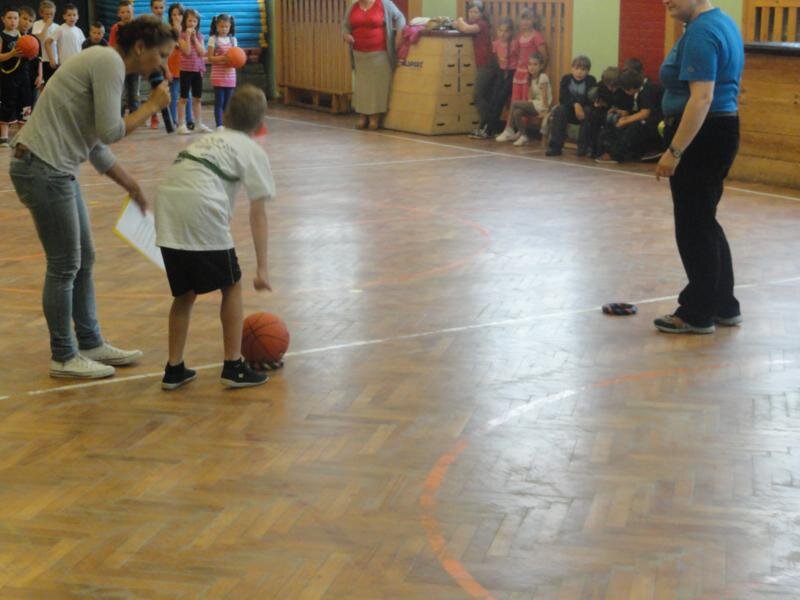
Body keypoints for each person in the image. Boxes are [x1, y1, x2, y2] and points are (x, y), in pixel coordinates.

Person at [8, 16, 174, 378]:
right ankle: (63, 356)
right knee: (65, 264)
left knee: (83, 259)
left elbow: (95, 145)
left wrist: (131, 186)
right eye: (162, 55)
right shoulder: (108, 61)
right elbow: (111, 132)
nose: (164, 66)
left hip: (51, 169)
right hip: (44, 169)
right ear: (140, 47)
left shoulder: (106, 63)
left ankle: (90, 342)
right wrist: (151, 106)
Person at [154, 84, 275, 390]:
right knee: (231, 285)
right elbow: (258, 214)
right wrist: (262, 268)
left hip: (167, 204)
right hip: (201, 204)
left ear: (227, 115)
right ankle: (234, 366)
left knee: (184, 293)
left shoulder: (208, 139)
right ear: (260, 124)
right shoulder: (251, 150)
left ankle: (174, 368)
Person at [654, 0, 744, 334]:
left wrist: (675, 151)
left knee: (693, 226)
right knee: (704, 220)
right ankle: (724, 305)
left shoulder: (702, 33)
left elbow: (702, 98)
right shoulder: (721, 23)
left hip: (703, 137)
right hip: (719, 130)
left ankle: (697, 312)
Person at [342, 0, 406, 130]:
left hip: (380, 54)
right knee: (362, 87)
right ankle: (362, 116)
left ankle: (374, 117)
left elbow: (400, 18)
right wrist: (346, 35)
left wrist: (399, 34)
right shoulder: (353, 7)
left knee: (377, 87)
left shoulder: (384, 4)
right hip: (359, 55)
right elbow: (345, 26)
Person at [495, 9, 547, 142]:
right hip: (518, 74)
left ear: (534, 20)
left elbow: (544, 56)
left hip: (528, 77)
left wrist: (536, 73)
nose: (525, 22)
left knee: (524, 102)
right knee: (514, 101)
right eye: (523, 19)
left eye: (528, 19)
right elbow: (518, 54)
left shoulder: (537, 37)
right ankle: (510, 129)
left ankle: (522, 131)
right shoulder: (519, 37)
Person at [595, 68, 663, 164]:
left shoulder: (648, 90)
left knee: (634, 126)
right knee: (621, 123)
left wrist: (627, 120)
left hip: (659, 120)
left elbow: (645, 113)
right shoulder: (642, 89)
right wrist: (625, 114)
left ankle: (615, 155)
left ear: (630, 88)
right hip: (652, 118)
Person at [454, 1, 492, 139]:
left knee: (478, 95)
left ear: (481, 14)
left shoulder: (482, 24)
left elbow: (465, 28)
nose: (472, 14)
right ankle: (484, 126)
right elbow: (457, 25)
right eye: (470, 11)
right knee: (481, 96)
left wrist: (459, 19)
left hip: (486, 64)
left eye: (476, 12)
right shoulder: (473, 23)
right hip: (479, 64)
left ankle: (486, 127)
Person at [545, 54, 596, 156]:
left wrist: (580, 106)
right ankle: (556, 147)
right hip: (569, 110)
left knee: (589, 111)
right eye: (577, 68)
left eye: (583, 69)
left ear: (588, 71)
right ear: (572, 69)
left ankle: (583, 148)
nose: (579, 72)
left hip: (583, 112)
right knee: (560, 110)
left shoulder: (591, 80)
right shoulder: (566, 79)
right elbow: (563, 98)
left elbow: (590, 100)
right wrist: (575, 104)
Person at [478, 17, 517, 139]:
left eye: (506, 31)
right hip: (500, 73)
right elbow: (494, 60)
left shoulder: (515, 44)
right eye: (500, 30)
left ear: (511, 32)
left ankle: (490, 128)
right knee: (493, 99)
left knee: (500, 99)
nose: (503, 34)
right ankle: (487, 126)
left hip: (511, 73)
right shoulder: (495, 44)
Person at [502, 53, 551, 147]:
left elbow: (544, 96)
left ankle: (509, 129)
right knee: (517, 112)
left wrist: (545, 110)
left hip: (541, 105)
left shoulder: (543, 77)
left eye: (535, 64)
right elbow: (530, 97)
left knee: (514, 103)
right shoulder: (530, 78)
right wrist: (528, 102)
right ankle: (523, 135)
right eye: (530, 64)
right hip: (534, 104)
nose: (532, 67)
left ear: (541, 66)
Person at [176, 8, 211, 134]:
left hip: (197, 70)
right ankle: (181, 125)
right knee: (183, 98)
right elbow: (187, 51)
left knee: (197, 98)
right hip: (186, 70)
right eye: (189, 21)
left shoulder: (200, 36)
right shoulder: (181, 36)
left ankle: (198, 124)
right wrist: (188, 36)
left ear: (198, 23)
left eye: (195, 21)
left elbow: (202, 52)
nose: (192, 23)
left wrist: (195, 38)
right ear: (185, 22)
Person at [109, 0, 140, 116]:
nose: (126, 14)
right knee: (120, 93)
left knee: (134, 93)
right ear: (118, 14)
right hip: (120, 65)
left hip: (134, 66)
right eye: (123, 12)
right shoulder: (115, 28)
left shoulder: (136, 27)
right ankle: (119, 117)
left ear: (133, 12)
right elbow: (112, 46)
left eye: (128, 12)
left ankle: (134, 117)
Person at [207, 14, 237, 129]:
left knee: (228, 103)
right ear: (216, 26)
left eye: (226, 27)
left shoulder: (233, 40)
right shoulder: (213, 39)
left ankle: (226, 124)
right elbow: (210, 58)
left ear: (230, 27)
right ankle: (219, 125)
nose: (224, 29)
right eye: (221, 26)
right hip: (218, 76)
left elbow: (236, 57)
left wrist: (236, 60)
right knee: (219, 101)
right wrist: (223, 58)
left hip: (230, 76)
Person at [0, 7, 25, 147]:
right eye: (9, 18)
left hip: (23, 76)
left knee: (24, 104)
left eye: (15, 18)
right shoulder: (2, 36)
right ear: (3, 19)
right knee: (7, 103)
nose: (13, 21)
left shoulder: (23, 36)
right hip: (8, 76)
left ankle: (22, 137)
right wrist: (12, 54)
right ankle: (4, 137)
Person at [167, 2, 193, 129]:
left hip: (185, 67)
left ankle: (189, 119)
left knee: (187, 95)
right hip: (173, 68)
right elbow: (166, 49)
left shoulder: (186, 31)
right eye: (174, 14)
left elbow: (189, 50)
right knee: (173, 95)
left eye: (179, 14)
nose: (177, 17)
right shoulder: (168, 31)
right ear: (170, 16)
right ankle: (172, 120)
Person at [17, 5, 37, 121]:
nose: (27, 22)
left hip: (29, 79)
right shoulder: (10, 37)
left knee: (27, 108)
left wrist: (40, 76)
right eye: (24, 18)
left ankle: (25, 122)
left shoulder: (34, 39)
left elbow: (38, 59)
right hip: (12, 78)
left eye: (30, 20)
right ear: (18, 17)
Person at [32, 0, 57, 86]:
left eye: (51, 14)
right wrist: (47, 25)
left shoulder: (57, 26)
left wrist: (55, 59)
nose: (49, 16)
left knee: (54, 85)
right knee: (44, 85)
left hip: (54, 59)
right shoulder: (37, 24)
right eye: (47, 14)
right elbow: (40, 38)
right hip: (42, 60)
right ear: (41, 13)